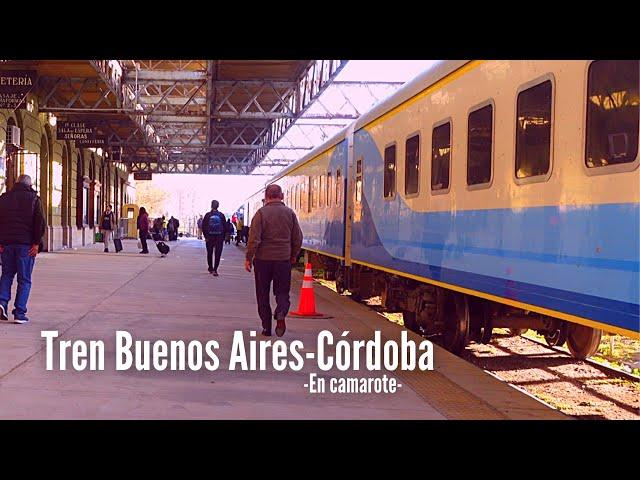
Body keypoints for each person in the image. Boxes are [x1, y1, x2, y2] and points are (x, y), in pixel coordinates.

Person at [245, 184, 303, 337]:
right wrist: (293, 254)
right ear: (282, 196)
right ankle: (281, 311)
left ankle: (266, 328)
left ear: (266, 196)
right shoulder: (290, 214)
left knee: (262, 294)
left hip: (263, 261)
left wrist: (249, 258)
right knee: (282, 292)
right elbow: (297, 238)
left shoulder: (260, 214)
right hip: (283, 259)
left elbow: (254, 239)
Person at [0, 174, 46, 324]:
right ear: (30, 185)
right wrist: (36, 243)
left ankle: (2, 303)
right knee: (24, 279)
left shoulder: (4, 198)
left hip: (6, 244)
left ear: (16, 183)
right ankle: (19, 313)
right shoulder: (34, 199)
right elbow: (40, 222)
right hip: (25, 246)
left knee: (6, 274)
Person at [202, 200, 227, 276]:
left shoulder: (207, 215)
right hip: (219, 237)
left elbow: (204, 226)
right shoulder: (221, 215)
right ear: (218, 206)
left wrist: (206, 236)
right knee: (218, 254)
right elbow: (225, 227)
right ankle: (215, 269)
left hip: (209, 237)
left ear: (211, 206)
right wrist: (223, 237)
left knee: (209, 253)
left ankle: (210, 268)